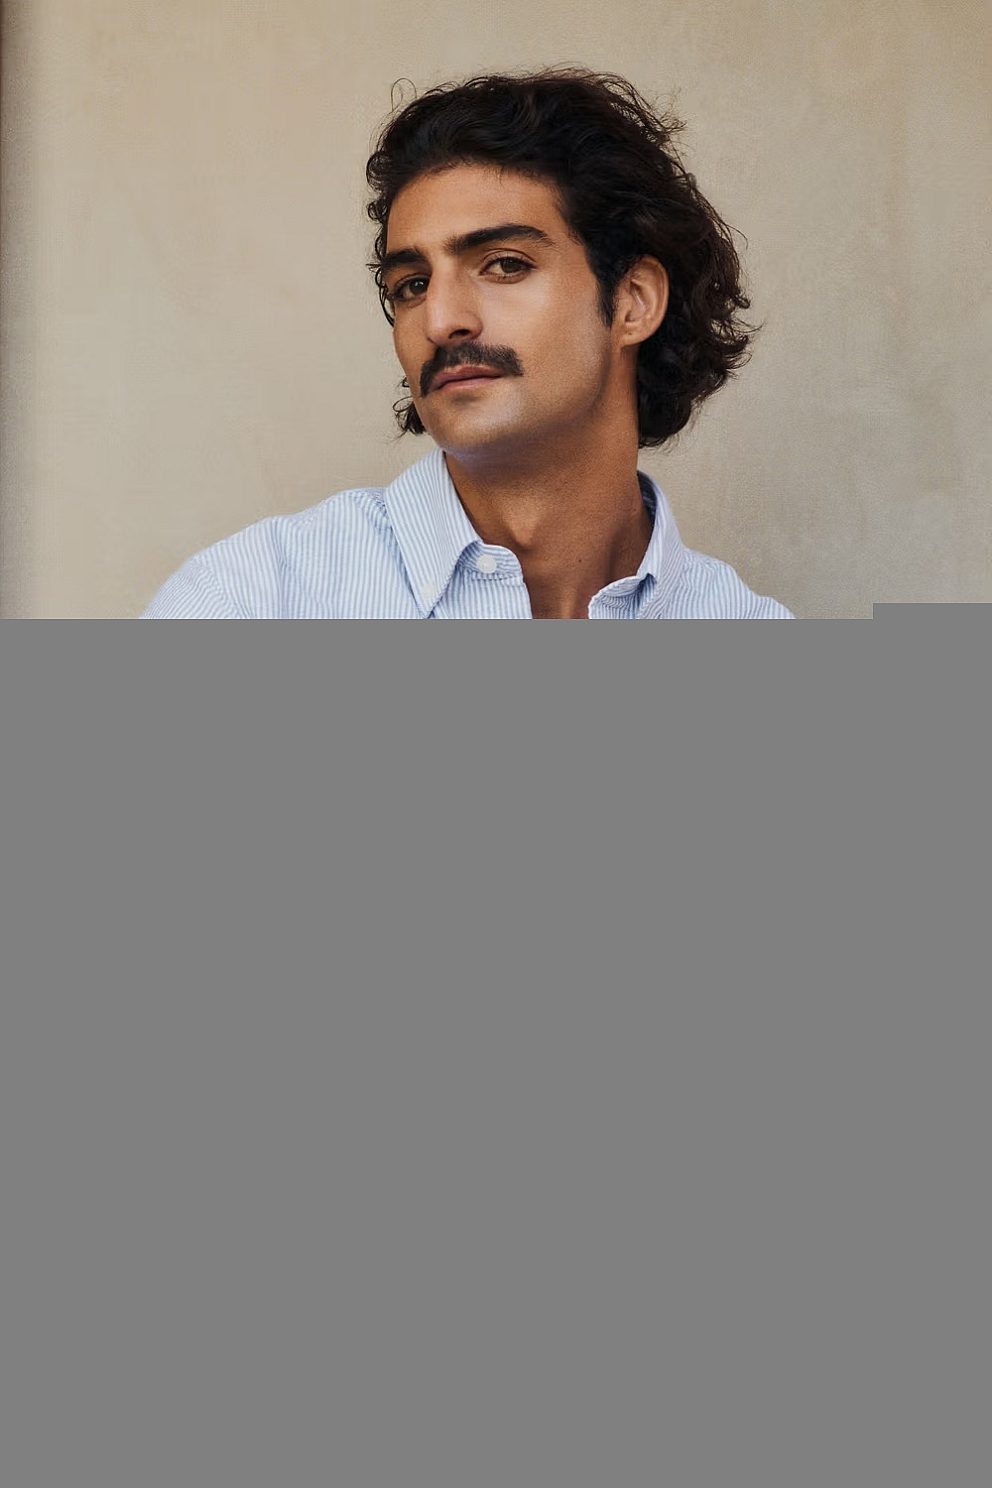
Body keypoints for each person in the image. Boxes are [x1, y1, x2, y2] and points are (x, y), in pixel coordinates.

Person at [142, 67, 793, 618]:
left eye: (504, 265)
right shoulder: (254, 602)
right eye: (412, 284)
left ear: (633, 301)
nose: (441, 320)